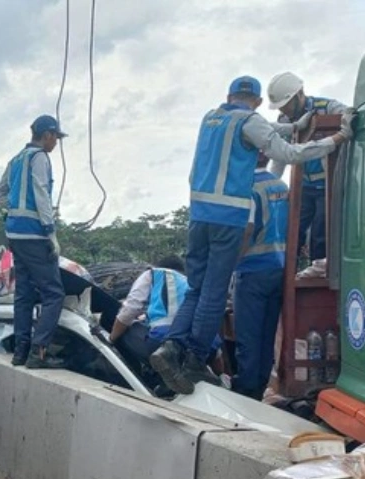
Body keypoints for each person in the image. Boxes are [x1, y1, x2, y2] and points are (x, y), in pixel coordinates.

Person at [150, 76, 351, 395]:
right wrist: (336, 139)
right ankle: (194, 361)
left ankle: (171, 347)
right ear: (256, 102)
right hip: (229, 219)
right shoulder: (261, 149)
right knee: (215, 295)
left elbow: (261, 133)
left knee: (197, 289)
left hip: (199, 215)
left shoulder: (211, 118)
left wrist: (296, 124)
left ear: (230, 95)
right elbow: (288, 152)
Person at [0, 114, 67, 369]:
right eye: (55, 137)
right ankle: (39, 351)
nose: (56, 143)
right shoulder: (39, 158)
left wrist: (14, 209)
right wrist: (51, 231)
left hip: (15, 234)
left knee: (23, 293)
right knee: (54, 293)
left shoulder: (15, 160)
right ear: (47, 135)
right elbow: (41, 193)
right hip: (35, 234)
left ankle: (20, 351)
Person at [267, 72, 352, 261]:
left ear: (299, 95)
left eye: (285, 104)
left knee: (321, 233)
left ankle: (319, 271)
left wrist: (347, 117)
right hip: (304, 185)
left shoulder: (326, 107)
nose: (284, 110)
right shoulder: (284, 121)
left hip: (328, 183)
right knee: (292, 230)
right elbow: (280, 157)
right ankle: (287, 271)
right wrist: (271, 185)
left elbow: (349, 113)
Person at [232, 152, 290, 400]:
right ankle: (259, 385)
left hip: (252, 269)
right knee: (267, 335)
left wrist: (231, 263)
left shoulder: (248, 188)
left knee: (248, 335)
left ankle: (247, 390)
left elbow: (247, 229)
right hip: (279, 268)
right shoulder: (281, 186)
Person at [109, 256, 189, 367]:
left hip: (164, 340)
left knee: (126, 328)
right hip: (201, 344)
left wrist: (111, 338)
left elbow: (130, 309)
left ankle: (149, 370)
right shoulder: (190, 282)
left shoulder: (154, 273)